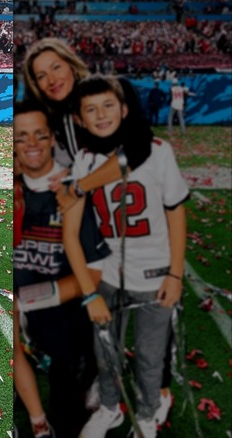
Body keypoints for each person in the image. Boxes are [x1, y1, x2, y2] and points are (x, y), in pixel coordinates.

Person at [63, 75, 188, 438]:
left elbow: (176, 214)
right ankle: (110, 408)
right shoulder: (84, 162)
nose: (100, 115)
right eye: (90, 109)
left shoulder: (157, 151)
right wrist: (88, 292)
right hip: (108, 276)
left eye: (107, 105)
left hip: (155, 273)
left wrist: (176, 274)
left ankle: (147, 415)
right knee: (105, 352)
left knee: (151, 356)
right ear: (80, 119)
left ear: (125, 109)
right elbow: (71, 234)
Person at [13, 100, 111, 438]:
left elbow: (95, 275)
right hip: (19, 309)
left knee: (68, 405)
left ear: (53, 137)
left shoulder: (75, 189)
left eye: (40, 135)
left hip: (63, 316)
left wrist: (26, 300)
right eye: (21, 136)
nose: (31, 145)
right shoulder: (14, 187)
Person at [22, 38, 153, 205]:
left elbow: (137, 150)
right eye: (41, 76)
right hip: (92, 209)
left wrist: (80, 185)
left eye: (56, 67)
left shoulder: (116, 89)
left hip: (136, 203)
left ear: (71, 64)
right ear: (36, 84)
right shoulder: (51, 116)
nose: (52, 80)